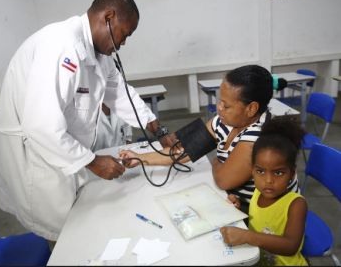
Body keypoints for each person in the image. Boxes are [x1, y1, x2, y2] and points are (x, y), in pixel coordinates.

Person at [0, 0, 171, 241]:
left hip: (66, 151)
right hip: (37, 157)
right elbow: (41, 126)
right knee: (62, 235)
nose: (123, 43)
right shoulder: (60, 46)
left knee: (78, 224)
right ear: (108, 17)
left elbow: (121, 94)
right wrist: (93, 162)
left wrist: (159, 130)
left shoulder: (100, 53)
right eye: (125, 34)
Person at [120, 65, 300, 213]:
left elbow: (223, 180)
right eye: (219, 100)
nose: (218, 108)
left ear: (251, 109)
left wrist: (215, 163)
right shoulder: (226, 120)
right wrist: (139, 158)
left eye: (226, 105)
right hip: (233, 199)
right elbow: (183, 149)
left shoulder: (258, 138)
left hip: (263, 215)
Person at [220, 116, 308, 266]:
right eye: (260, 171)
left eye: (278, 173)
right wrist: (239, 207)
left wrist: (248, 236)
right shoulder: (258, 191)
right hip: (258, 259)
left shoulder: (296, 204)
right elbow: (260, 219)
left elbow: (291, 246)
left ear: (292, 174)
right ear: (252, 170)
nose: (268, 180)